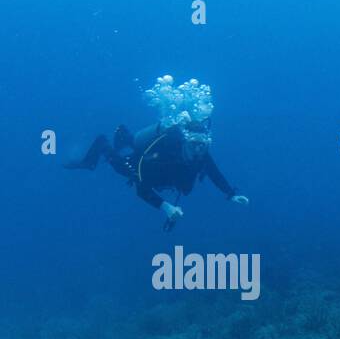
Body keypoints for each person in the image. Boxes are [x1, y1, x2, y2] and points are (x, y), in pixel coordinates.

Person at [64, 77, 248, 231]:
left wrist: (231, 194)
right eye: (194, 144)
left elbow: (214, 173)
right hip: (141, 165)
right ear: (185, 141)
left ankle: (126, 137)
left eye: (203, 144)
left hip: (164, 177)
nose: (199, 150)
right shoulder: (167, 151)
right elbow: (142, 189)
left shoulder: (201, 153)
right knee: (120, 165)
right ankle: (100, 148)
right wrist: (165, 207)